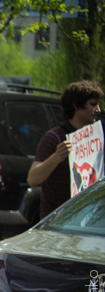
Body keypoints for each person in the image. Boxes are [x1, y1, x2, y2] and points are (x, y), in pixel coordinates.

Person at [27, 80, 103, 217]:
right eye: (93, 104)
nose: (98, 110)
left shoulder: (95, 138)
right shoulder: (54, 138)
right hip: (58, 221)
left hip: (87, 219)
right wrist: (56, 157)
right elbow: (32, 179)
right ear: (76, 105)